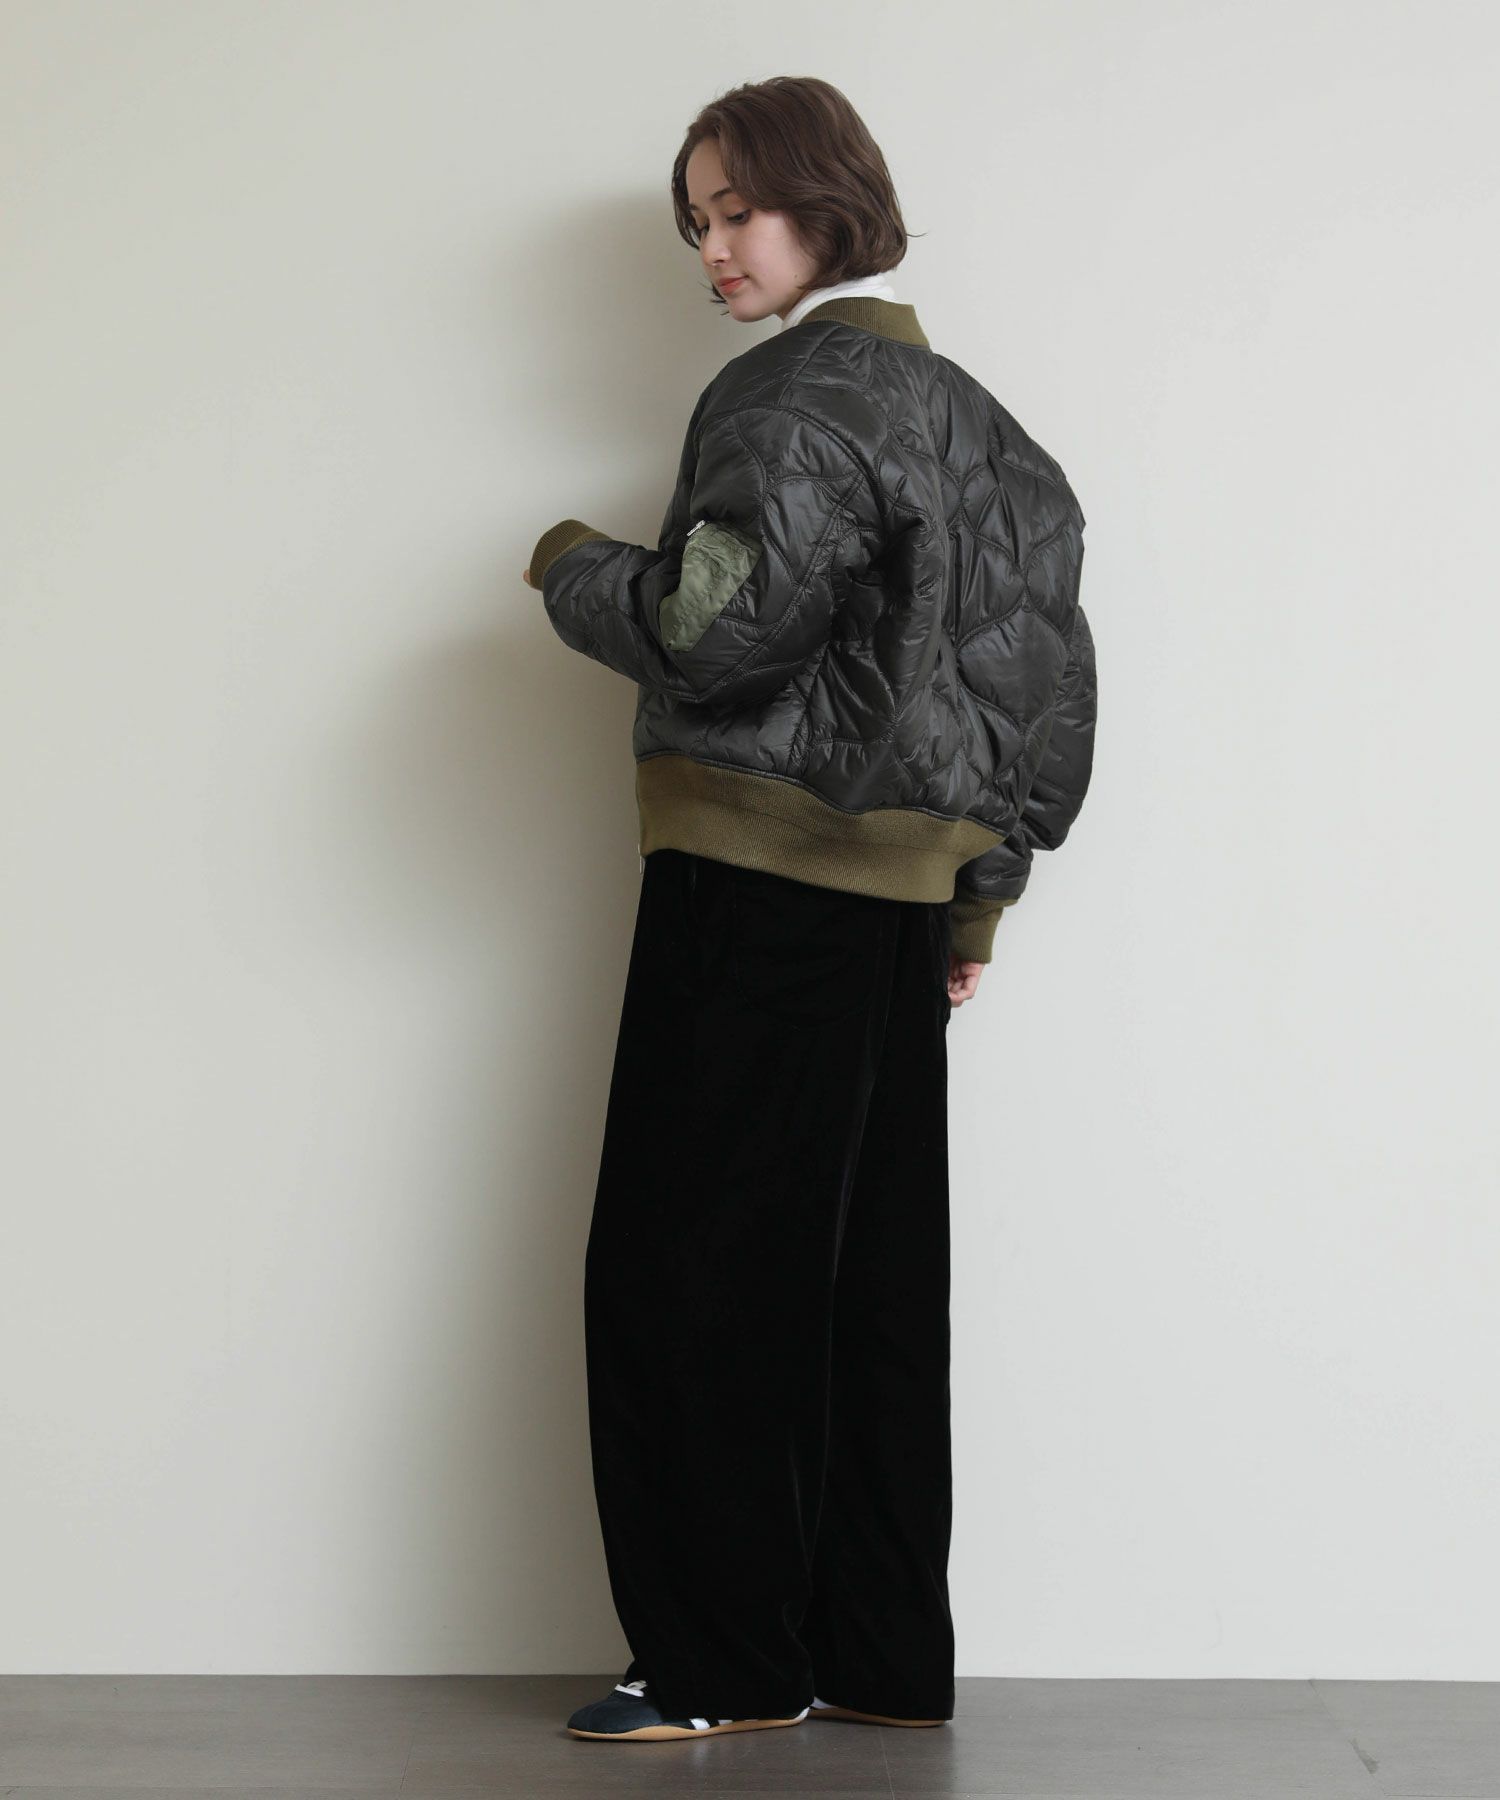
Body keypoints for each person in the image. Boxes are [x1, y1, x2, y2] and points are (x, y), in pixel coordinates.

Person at [522, 75, 1096, 1744]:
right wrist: (975, 902)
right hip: (892, 911)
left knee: (689, 1274)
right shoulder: (983, 426)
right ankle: (875, 1656)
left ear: (826, 201)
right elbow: (1036, 685)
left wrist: (566, 563)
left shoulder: (790, 394)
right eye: (697, 222)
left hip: (757, 876)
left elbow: (711, 629)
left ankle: (718, 1665)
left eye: (738, 210)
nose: (714, 249)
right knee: (866, 1285)